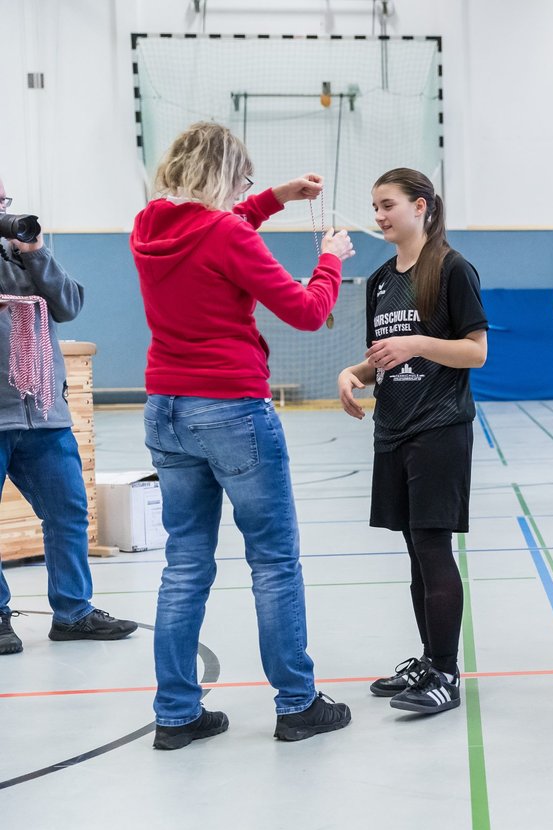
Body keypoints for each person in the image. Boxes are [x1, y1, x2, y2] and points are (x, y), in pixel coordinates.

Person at [131, 122, 354, 748]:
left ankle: (176, 713)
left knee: (184, 563)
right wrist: (330, 261)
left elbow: (214, 230)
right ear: (227, 177)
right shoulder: (226, 232)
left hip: (165, 409)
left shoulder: (148, 226)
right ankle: (297, 703)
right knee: (274, 560)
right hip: (230, 408)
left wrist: (276, 197)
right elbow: (308, 312)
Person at [338, 168, 487, 715]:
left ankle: (446, 673)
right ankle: (429, 658)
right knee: (413, 552)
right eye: (374, 206)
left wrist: (421, 341)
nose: (379, 216)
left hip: (440, 427)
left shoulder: (451, 269)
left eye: (388, 205)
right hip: (393, 429)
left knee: (432, 546)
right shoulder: (379, 280)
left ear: (420, 206)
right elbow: (385, 358)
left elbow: (476, 351)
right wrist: (353, 373)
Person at [0, 181, 137, 655]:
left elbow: (70, 305)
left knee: (68, 512)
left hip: (42, 413)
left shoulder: (22, 256)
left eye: (3, 203)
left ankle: (73, 613)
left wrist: (35, 251)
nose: (2, 212)